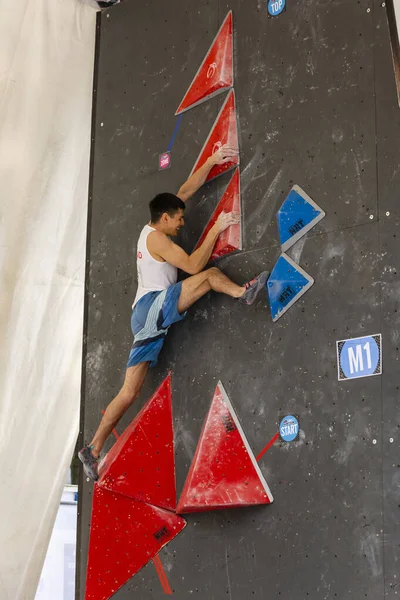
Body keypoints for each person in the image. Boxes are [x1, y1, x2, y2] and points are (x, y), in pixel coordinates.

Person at [79, 144, 269, 480]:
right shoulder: (160, 242)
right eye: (178, 219)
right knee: (209, 277)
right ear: (164, 218)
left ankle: (92, 449)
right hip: (152, 308)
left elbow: (183, 192)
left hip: (144, 312)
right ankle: (244, 293)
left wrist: (212, 160)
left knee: (129, 391)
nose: (182, 223)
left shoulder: (152, 227)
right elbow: (195, 264)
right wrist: (218, 226)